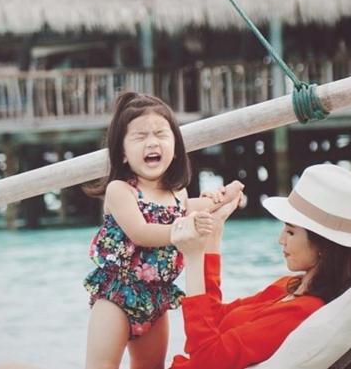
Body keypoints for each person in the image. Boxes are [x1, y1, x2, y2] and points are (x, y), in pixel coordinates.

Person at [83, 92, 244, 369]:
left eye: (160, 134)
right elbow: (141, 232)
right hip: (116, 295)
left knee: (151, 366)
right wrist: (183, 231)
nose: (152, 142)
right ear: (122, 153)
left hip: (156, 298)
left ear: (176, 148)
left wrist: (225, 196)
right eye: (140, 137)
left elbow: (196, 207)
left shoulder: (177, 193)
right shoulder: (120, 190)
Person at [169, 163, 351, 369]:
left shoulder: (302, 312)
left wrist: (194, 257)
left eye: (290, 232)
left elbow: (206, 362)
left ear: (324, 246)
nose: (281, 239)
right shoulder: (292, 286)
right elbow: (214, 318)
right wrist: (214, 231)